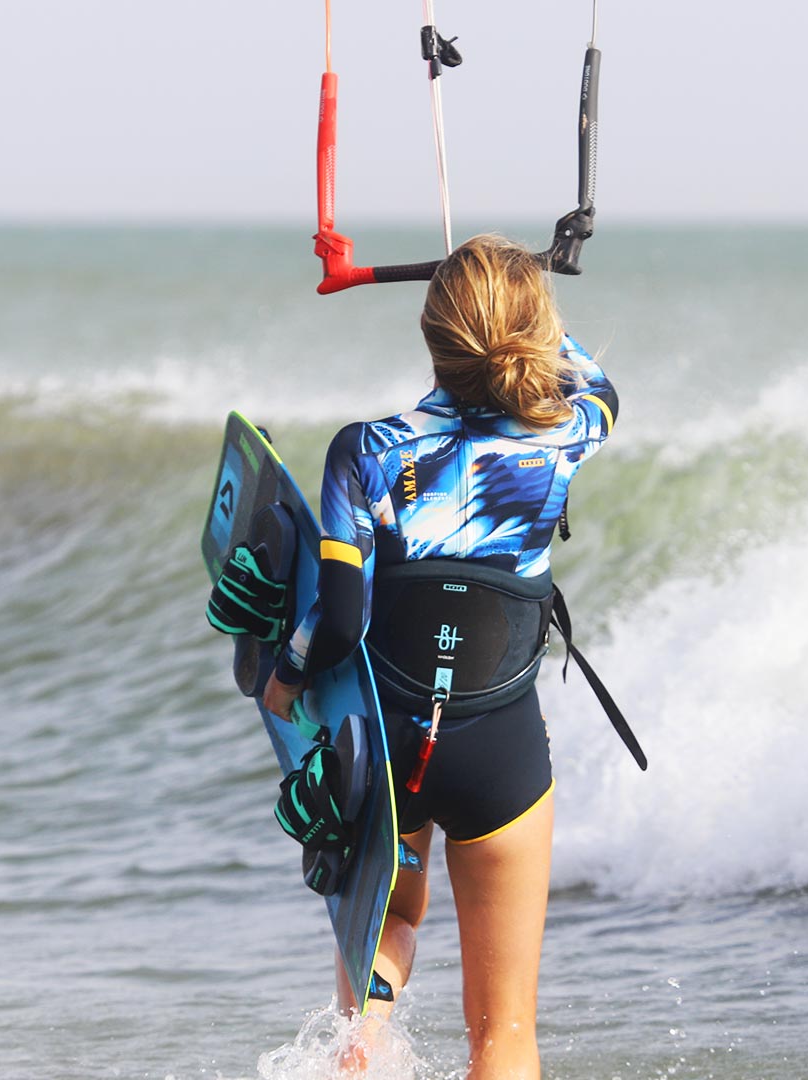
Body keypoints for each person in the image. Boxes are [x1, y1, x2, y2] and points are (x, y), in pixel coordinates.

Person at [260, 233, 618, 1079]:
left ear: (432, 337)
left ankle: (361, 1054)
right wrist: (515, 280)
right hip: (500, 755)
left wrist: (284, 681)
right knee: (505, 1036)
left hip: (391, 751)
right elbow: (586, 372)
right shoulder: (569, 434)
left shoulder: (368, 451)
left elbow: (341, 620)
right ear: (530, 331)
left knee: (393, 927)